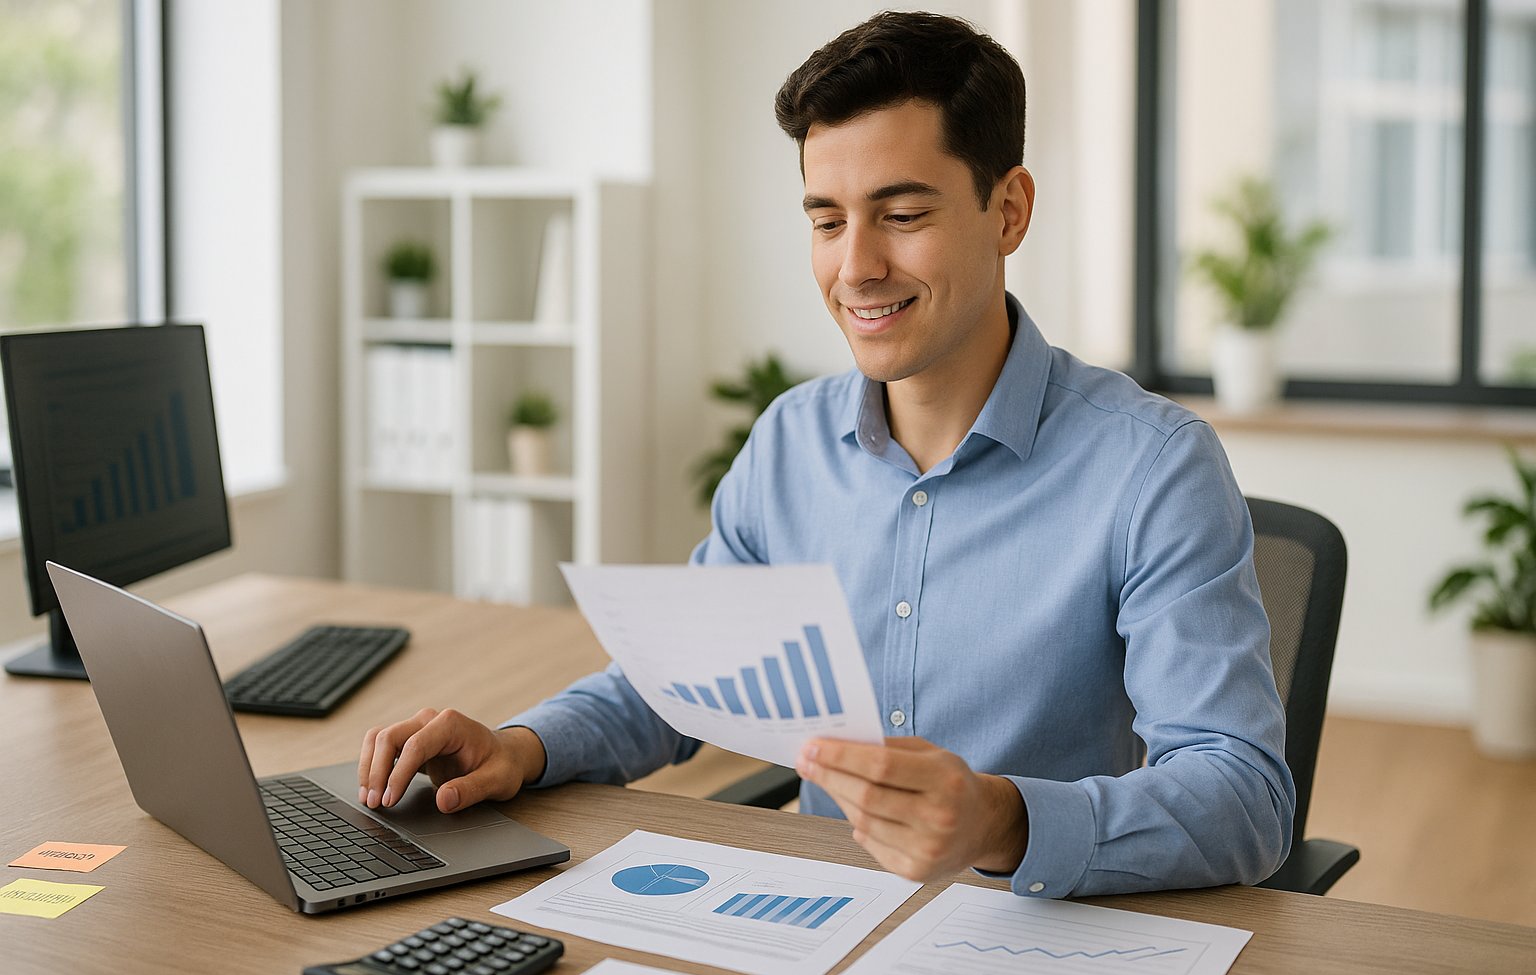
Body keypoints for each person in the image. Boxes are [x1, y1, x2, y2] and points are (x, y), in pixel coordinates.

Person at [358, 10, 1295, 898]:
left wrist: (1004, 822)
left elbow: (1244, 795)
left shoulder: (1153, 468)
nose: (856, 268)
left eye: (902, 213)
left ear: (1008, 211)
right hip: (812, 917)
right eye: (826, 220)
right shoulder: (788, 444)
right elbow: (683, 681)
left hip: (1036, 938)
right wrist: (524, 746)